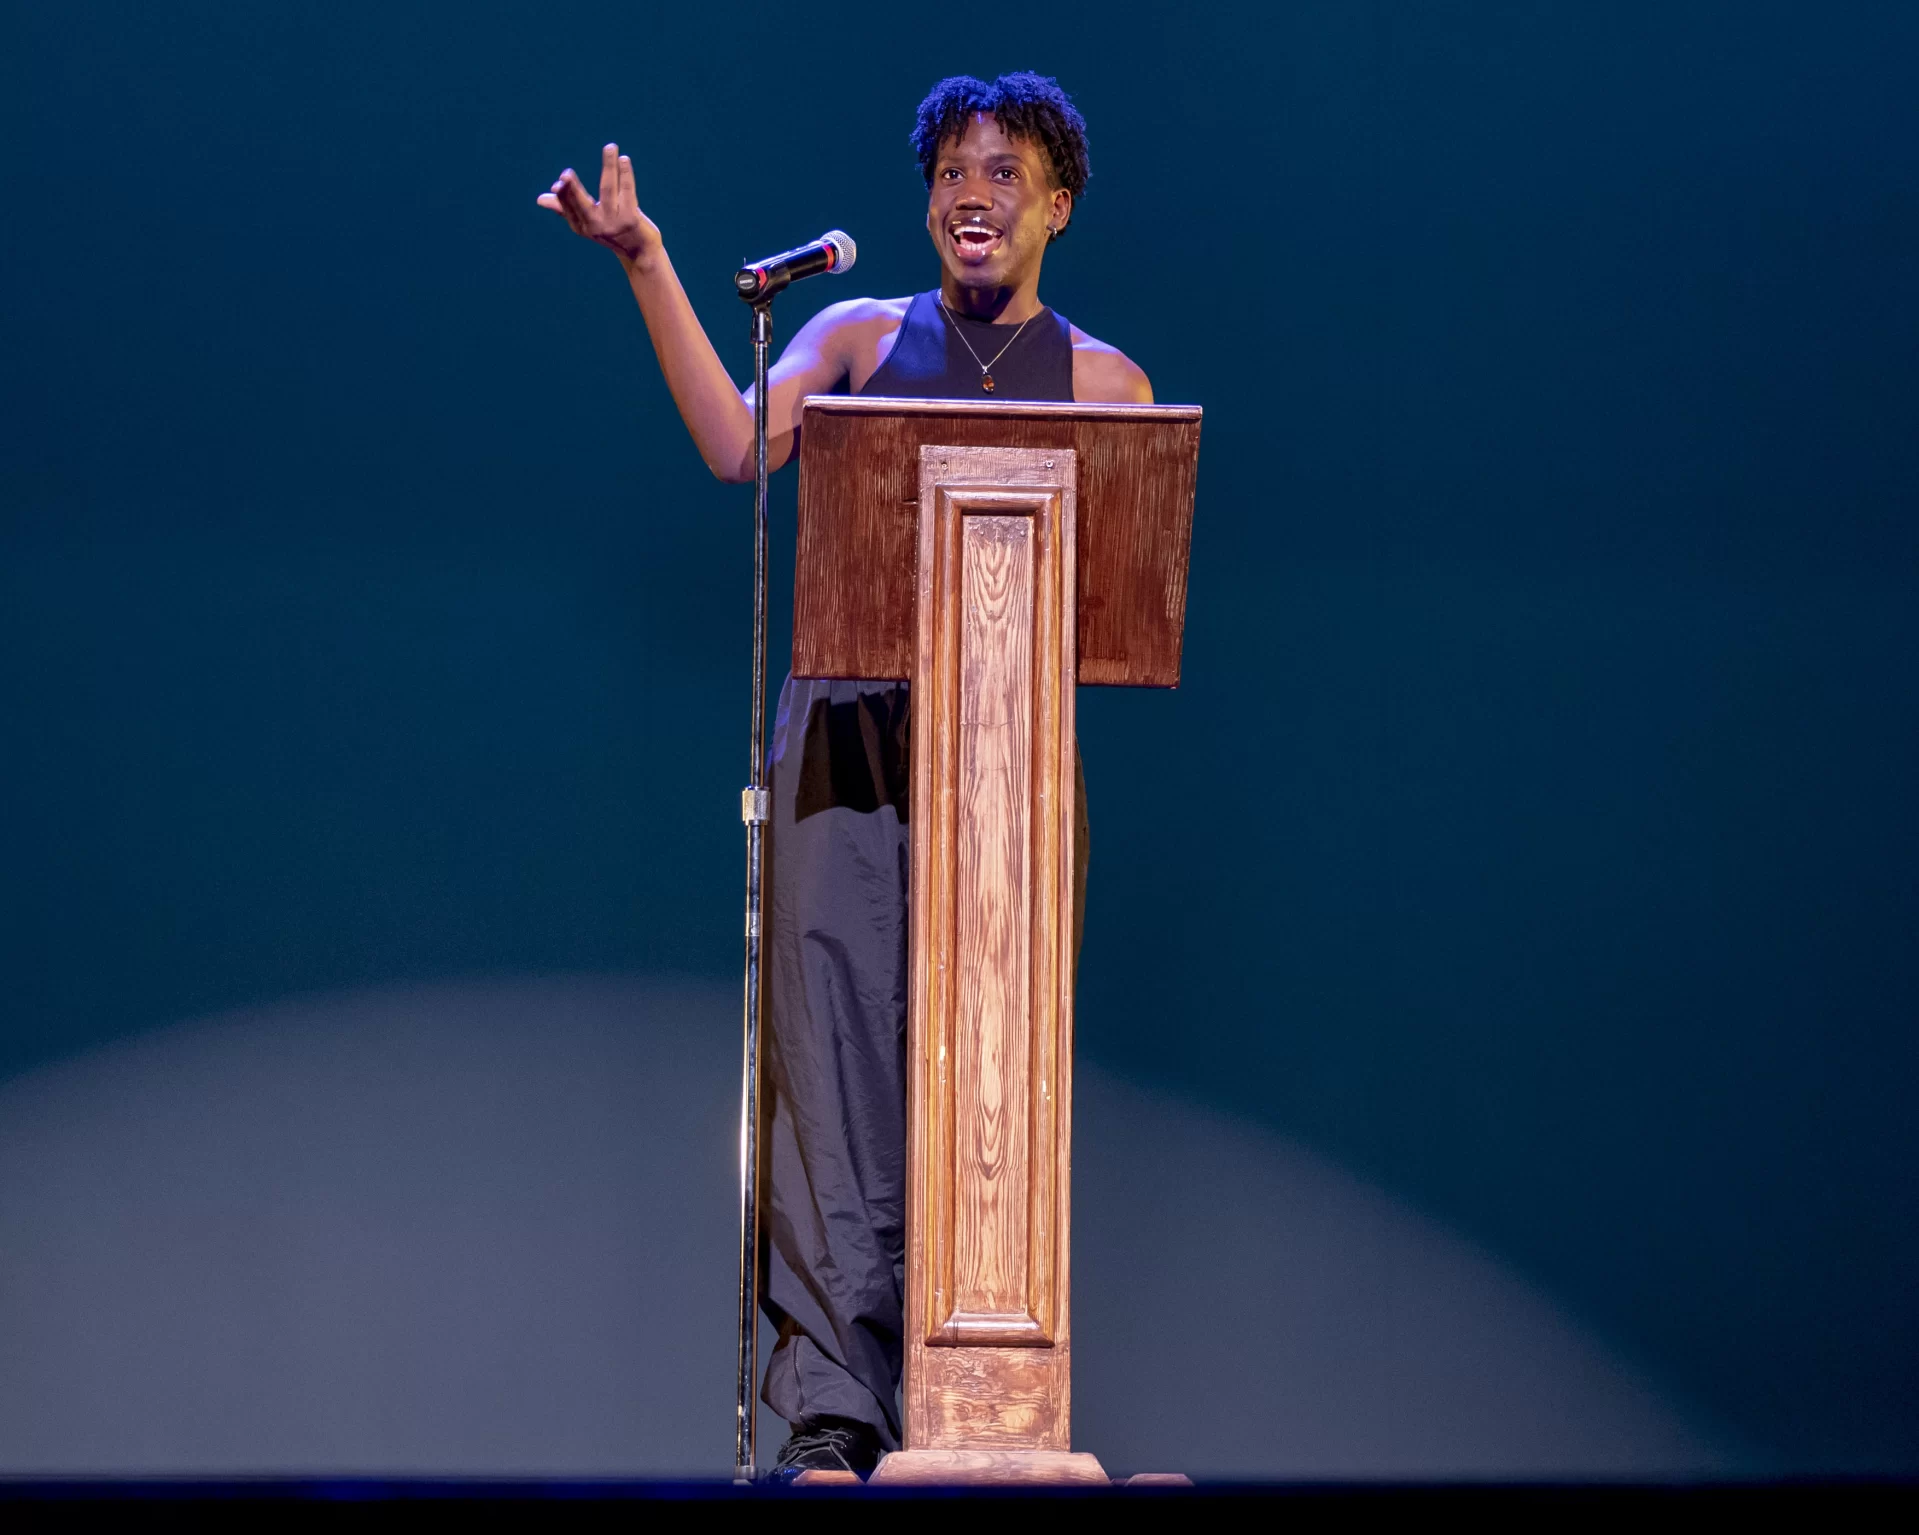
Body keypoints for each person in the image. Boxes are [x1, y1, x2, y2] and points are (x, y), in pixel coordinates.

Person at [538, 72, 1150, 1481]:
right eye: (948, 170)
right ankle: (832, 1403)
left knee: (993, 1072)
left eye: (1002, 171)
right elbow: (734, 441)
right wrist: (647, 259)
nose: (969, 193)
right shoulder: (861, 335)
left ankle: (987, 1392)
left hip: (1002, 763)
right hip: (844, 743)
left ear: (1056, 203)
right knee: (831, 1072)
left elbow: (1123, 603)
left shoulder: (1104, 384)